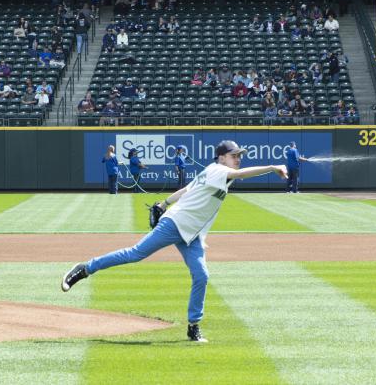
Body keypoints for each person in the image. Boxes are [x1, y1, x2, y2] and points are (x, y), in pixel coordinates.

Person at [62, 140, 288, 343]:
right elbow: (239, 175)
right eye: (234, 155)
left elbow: (187, 189)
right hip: (174, 224)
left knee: (201, 275)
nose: (238, 158)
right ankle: (85, 268)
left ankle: (193, 326)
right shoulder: (219, 170)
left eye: (240, 155)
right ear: (221, 157)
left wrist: (163, 203)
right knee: (135, 253)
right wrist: (272, 167)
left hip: (192, 235)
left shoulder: (213, 172)